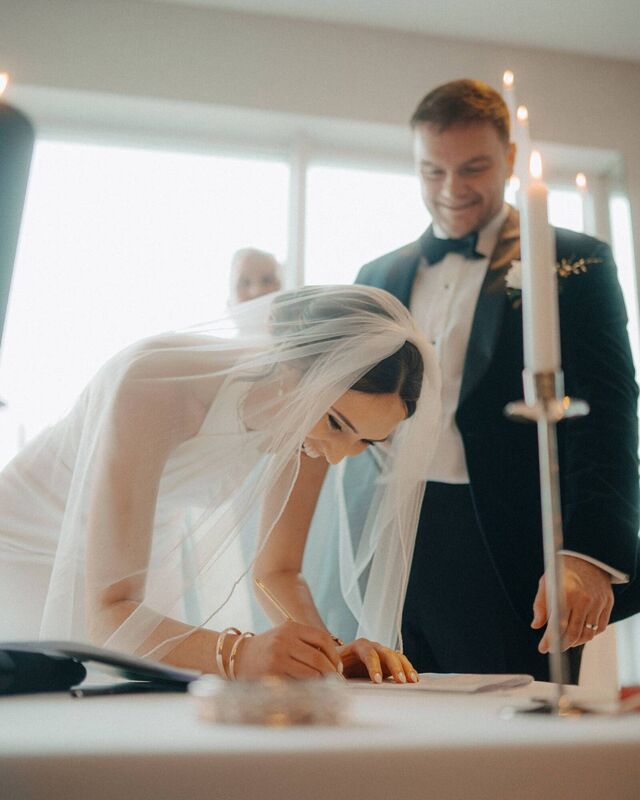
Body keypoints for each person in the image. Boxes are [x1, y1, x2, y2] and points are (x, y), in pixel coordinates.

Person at [345, 78, 639, 682]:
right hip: (392, 538)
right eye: (432, 171)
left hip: (510, 545)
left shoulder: (575, 264)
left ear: (509, 157)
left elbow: (609, 412)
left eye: (474, 167)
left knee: (515, 741)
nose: (451, 190)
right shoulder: (376, 275)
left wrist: (585, 556)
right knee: (397, 725)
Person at [0, 284, 441, 683]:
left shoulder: (313, 434)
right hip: (26, 545)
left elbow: (276, 572)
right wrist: (241, 652)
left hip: (144, 564)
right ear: (292, 365)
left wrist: (329, 654)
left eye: (367, 440)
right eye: (337, 424)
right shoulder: (154, 381)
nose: (342, 453)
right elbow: (109, 616)